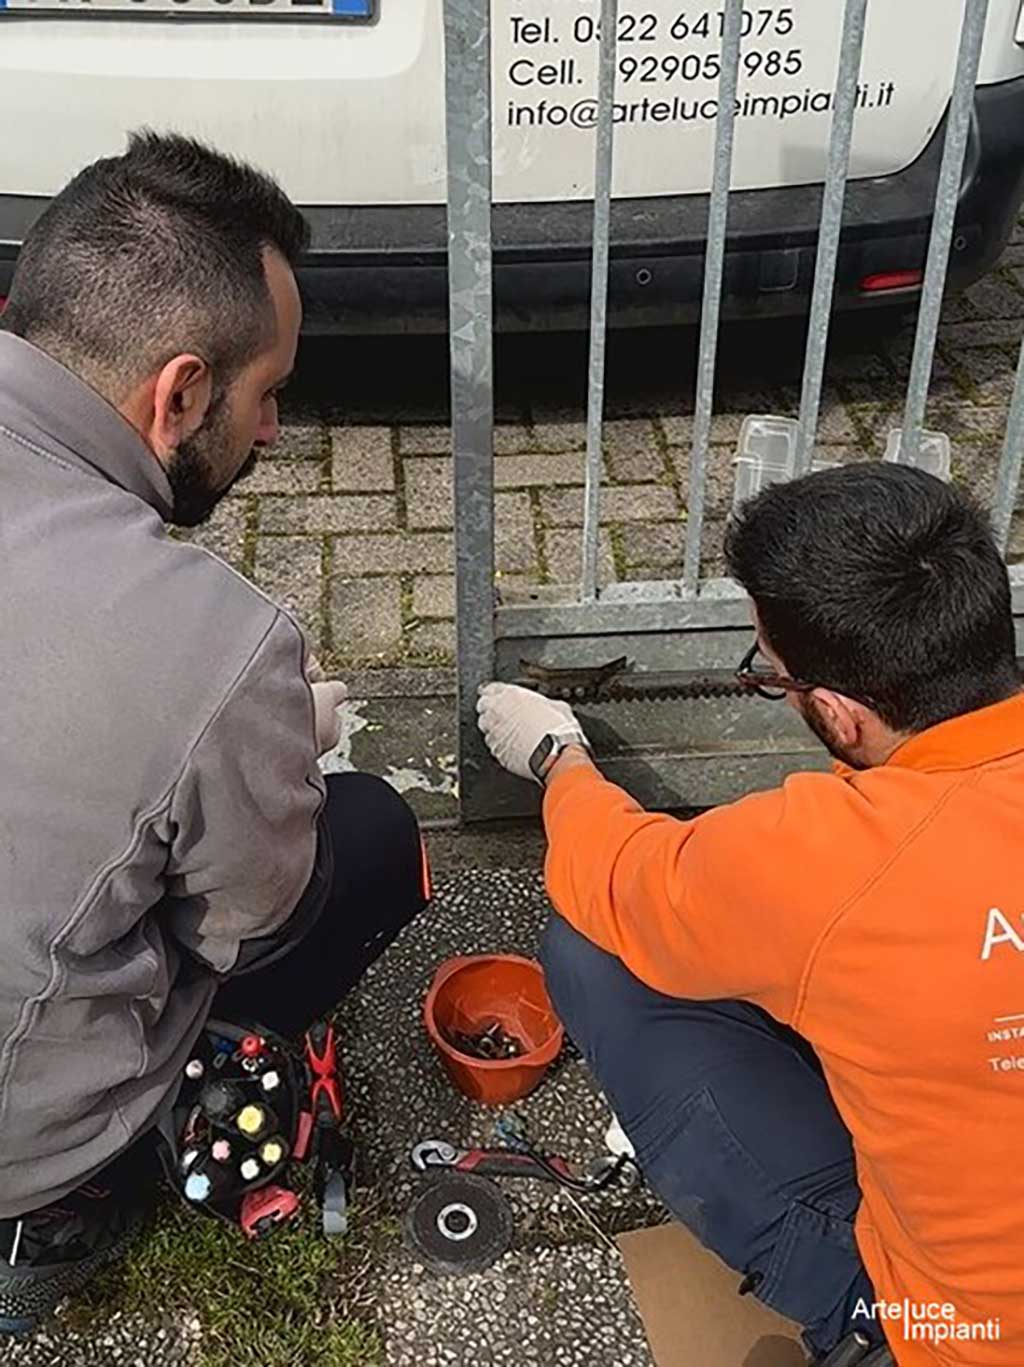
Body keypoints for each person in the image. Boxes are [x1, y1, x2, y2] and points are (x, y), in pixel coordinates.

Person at [0, 133, 429, 1334]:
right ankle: (61, 1210)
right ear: (181, 392)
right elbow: (245, 925)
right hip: (24, 1144)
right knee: (372, 833)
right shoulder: (214, 643)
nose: (276, 430)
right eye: (268, 392)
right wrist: (278, 748)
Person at [478, 462, 1024, 1367]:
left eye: (772, 675)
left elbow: (614, 878)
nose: (770, 680)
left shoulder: (832, 857)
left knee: (595, 954)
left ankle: (858, 1320)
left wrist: (558, 758)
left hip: (956, 1335)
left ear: (840, 716)